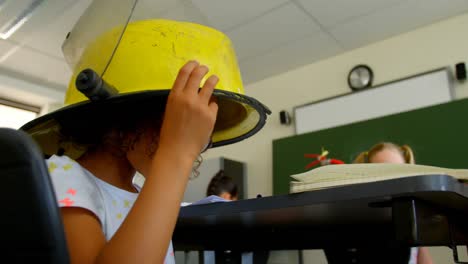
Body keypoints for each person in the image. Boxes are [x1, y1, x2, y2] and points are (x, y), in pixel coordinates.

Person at [20, 5, 270, 264]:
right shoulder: (62, 176)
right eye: (178, 127)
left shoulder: (142, 195)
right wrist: (176, 153)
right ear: (122, 118)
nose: (194, 149)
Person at [354, 142, 433, 264]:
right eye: (382, 172)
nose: (391, 180)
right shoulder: (360, 219)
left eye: (397, 172)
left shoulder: (412, 218)